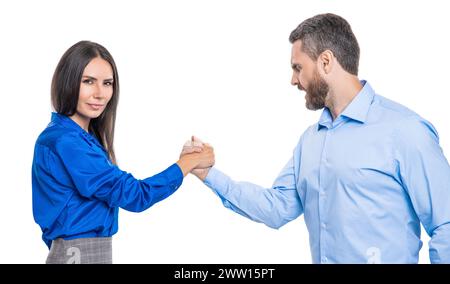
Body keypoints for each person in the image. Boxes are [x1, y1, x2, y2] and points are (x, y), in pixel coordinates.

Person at [183, 13, 450, 263]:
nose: (293, 80)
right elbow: (277, 208)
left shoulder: (405, 130)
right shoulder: (310, 141)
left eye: (298, 67)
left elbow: (445, 224)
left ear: (325, 61)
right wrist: (208, 174)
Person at [32, 41, 214, 264]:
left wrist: (187, 161)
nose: (100, 93)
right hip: (77, 256)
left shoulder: (80, 139)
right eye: (88, 81)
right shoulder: (66, 142)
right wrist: (188, 163)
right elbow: (135, 195)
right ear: (67, 82)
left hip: (84, 254)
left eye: (107, 83)